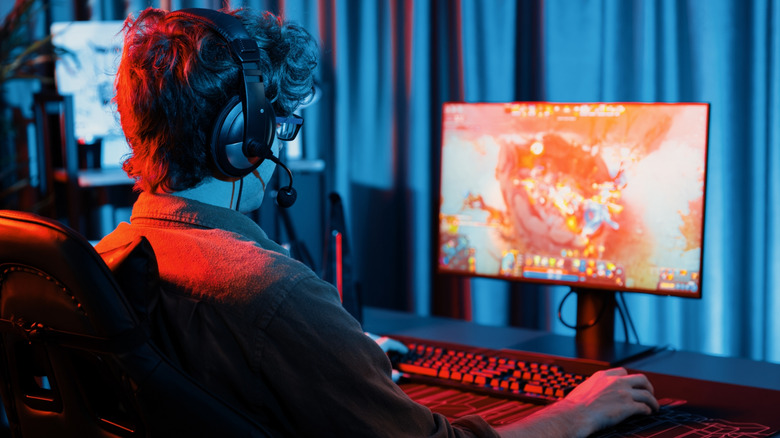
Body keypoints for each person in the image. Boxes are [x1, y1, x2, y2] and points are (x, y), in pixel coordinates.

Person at [96, 6, 659, 437]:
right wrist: (574, 414)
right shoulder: (271, 291)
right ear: (244, 138)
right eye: (281, 124)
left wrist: (337, 350)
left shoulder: (108, 261)